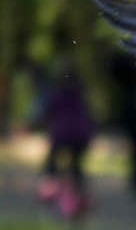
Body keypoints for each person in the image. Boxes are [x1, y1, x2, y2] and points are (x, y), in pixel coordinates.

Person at [37, 65, 94, 218]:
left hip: (61, 136)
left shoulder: (56, 94)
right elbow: (88, 117)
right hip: (80, 137)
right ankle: (79, 197)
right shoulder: (79, 95)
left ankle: (49, 192)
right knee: (76, 168)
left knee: (51, 165)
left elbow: (46, 113)